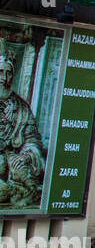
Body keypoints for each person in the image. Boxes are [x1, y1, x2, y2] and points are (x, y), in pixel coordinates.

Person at [0, 50, 45, 211]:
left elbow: (33, 139)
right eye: (0, 72)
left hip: (13, 167)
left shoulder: (22, 108)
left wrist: (25, 157)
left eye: (9, 73)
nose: (4, 78)